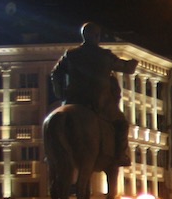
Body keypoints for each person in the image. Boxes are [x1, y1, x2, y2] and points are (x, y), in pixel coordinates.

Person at [49, 21, 136, 166]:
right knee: (121, 123)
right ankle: (120, 155)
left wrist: (60, 93)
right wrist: (133, 62)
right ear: (97, 36)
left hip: (73, 100)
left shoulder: (71, 55)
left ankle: (51, 155)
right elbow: (126, 68)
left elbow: (55, 73)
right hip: (99, 101)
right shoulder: (104, 55)